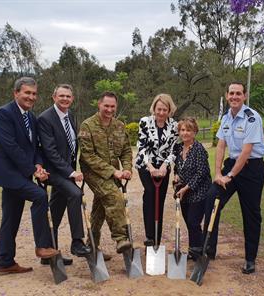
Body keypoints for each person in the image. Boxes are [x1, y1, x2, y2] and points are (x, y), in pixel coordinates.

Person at [0, 77, 57, 276]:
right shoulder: (4, 114)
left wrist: (38, 165)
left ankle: (5, 262)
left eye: (34, 94)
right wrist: (32, 171)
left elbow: (34, 148)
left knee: (10, 218)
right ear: (16, 93)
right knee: (40, 196)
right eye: (27, 93)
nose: (31, 97)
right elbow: (11, 148)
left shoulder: (31, 118)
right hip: (8, 173)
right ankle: (42, 246)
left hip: (21, 173)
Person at [203, 81, 264, 274]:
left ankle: (250, 259)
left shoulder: (252, 118)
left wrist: (229, 175)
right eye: (231, 93)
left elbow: (247, 151)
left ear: (244, 96)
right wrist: (218, 174)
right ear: (227, 95)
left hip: (251, 169)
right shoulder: (226, 118)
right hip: (231, 165)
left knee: (251, 214)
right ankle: (208, 250)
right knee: (212, 199)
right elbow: (221, 145)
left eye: (238, 93)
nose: (234, 97)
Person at [37, 84, 91, 266]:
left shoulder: (70, 116)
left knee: (56, 210)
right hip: (53, 171)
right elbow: (50, 152)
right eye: (61, 96)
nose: (65, 99)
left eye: (68, 96)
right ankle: (77, 242)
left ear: (72, 98)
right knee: (76, 194)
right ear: (54, 97)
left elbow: (71, 146)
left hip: (67, 170)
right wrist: (71, 172)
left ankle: (48, 250)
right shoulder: (45, 119)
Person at [78, 91, 133, 254]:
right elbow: (88, 156)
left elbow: (126, 150)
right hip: (93, 172)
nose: (109, 109)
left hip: (113, 172)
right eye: (106, 106)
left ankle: (92, 245)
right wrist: (112, 171)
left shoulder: (119, 126)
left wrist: (127, 168)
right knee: (113, 197)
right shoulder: (87, 125)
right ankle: (121, 238)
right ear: (99, 105)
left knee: (100, 209)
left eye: (112, 106)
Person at [135, 93, 178, 246]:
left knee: (160, 200)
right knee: (151, 194)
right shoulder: (145, 122)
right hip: (146, 165)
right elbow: (141, 146)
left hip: (164, 167)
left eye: (164, 110)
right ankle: (149, 236)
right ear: (154, 108)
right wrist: (151, 167)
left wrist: (165, 166)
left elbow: (174, 150)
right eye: (158, 109)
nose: (161, 113)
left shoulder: (174, 125)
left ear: (169, 110)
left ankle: (157, 239)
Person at [172, 117, 211, 260]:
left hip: (198, 192)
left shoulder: (199, 149)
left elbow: (202, 173)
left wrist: (187, 187)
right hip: (184, 193)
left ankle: (199, 252)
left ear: (195, 132)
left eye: (189, 130)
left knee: (194, 222)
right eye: (182, 130)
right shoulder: (178, 148)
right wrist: (176, 175)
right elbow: (177, 167)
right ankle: (194, 250)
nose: (185, 133)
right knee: (189, 223)